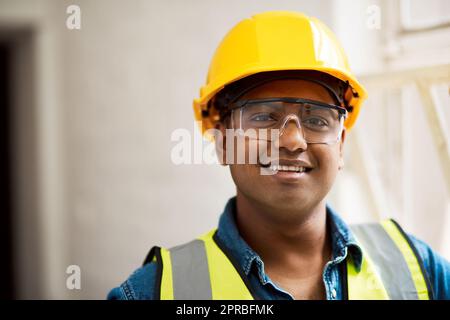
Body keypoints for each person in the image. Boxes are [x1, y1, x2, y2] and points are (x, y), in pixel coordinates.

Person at [108, 11, 450, 300]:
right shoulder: (151, 293)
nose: (291, 140)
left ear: (341, 145)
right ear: (222, 141)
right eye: (262, 116)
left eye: (316, 119)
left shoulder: (420, 270)